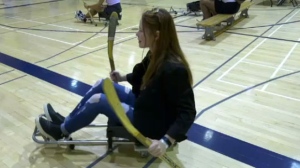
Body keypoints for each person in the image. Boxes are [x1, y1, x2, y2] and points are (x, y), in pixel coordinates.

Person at [35, 8, 196, 157]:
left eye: (141, 30)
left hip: (150, 124)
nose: (137, 34)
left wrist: (166, 141)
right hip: (146, 106)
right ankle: (67, 121)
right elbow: (141, 76)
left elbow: (187, 112)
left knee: (98, 101)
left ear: (157, 35)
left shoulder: (174, 69)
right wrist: (122, 77)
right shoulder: (156, 54)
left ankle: (61, 131)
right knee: (103, 83)